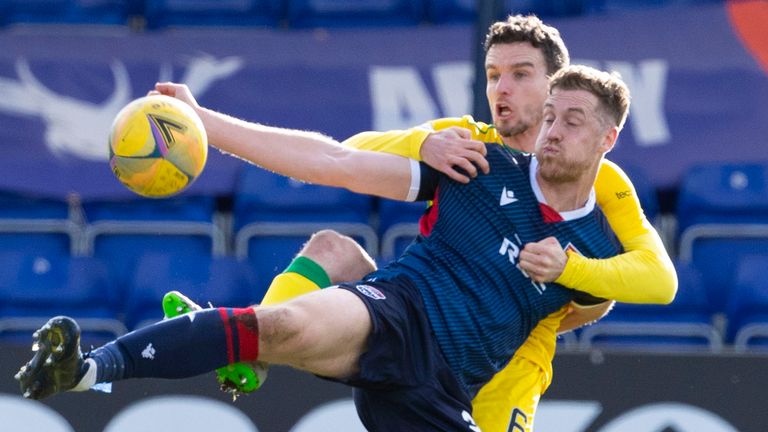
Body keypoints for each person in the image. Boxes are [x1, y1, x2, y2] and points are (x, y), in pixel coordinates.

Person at [19, 66, 665, 431]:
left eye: (572, 121)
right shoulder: (476, 163)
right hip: (395, 315)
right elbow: (329, 158)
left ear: (608, 140)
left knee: (318, 282)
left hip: (442, 396)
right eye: (550, 114)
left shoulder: (595, 245)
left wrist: (574, 269)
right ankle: (89, 368)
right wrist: (208, 125)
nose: (552, 129)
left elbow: (658, 284)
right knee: (283, 323)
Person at [194, 14, 676, 432]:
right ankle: (248, 353)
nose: (501, 89)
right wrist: (418, 144)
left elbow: (629, 280)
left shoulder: (602, 178)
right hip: (427, 324)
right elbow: (344, 155)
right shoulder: (468, 145)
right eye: (492, 75)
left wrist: (569, 284)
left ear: (557, 86)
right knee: (331, 249)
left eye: (520, 75)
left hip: (508, 364)